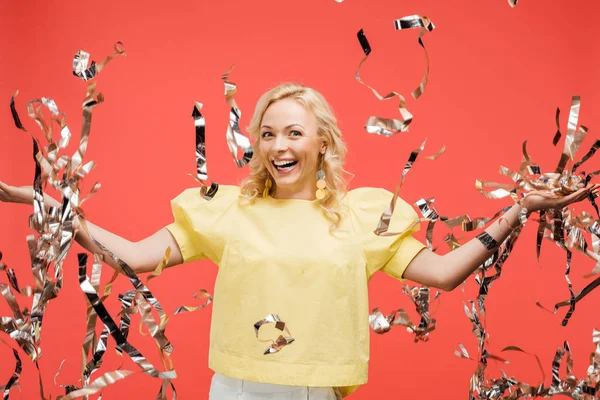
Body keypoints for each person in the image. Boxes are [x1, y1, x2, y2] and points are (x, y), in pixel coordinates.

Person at [1, 83, 597, 399]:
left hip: (318, 396)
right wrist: (54, 208)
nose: (278, 145)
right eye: (267, 134)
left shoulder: (366, 215)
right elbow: (131, 258)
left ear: (322, 144)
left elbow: (442, 273)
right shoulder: (227, 210)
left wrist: (518, 209)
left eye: (293, 132)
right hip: (236, 392)